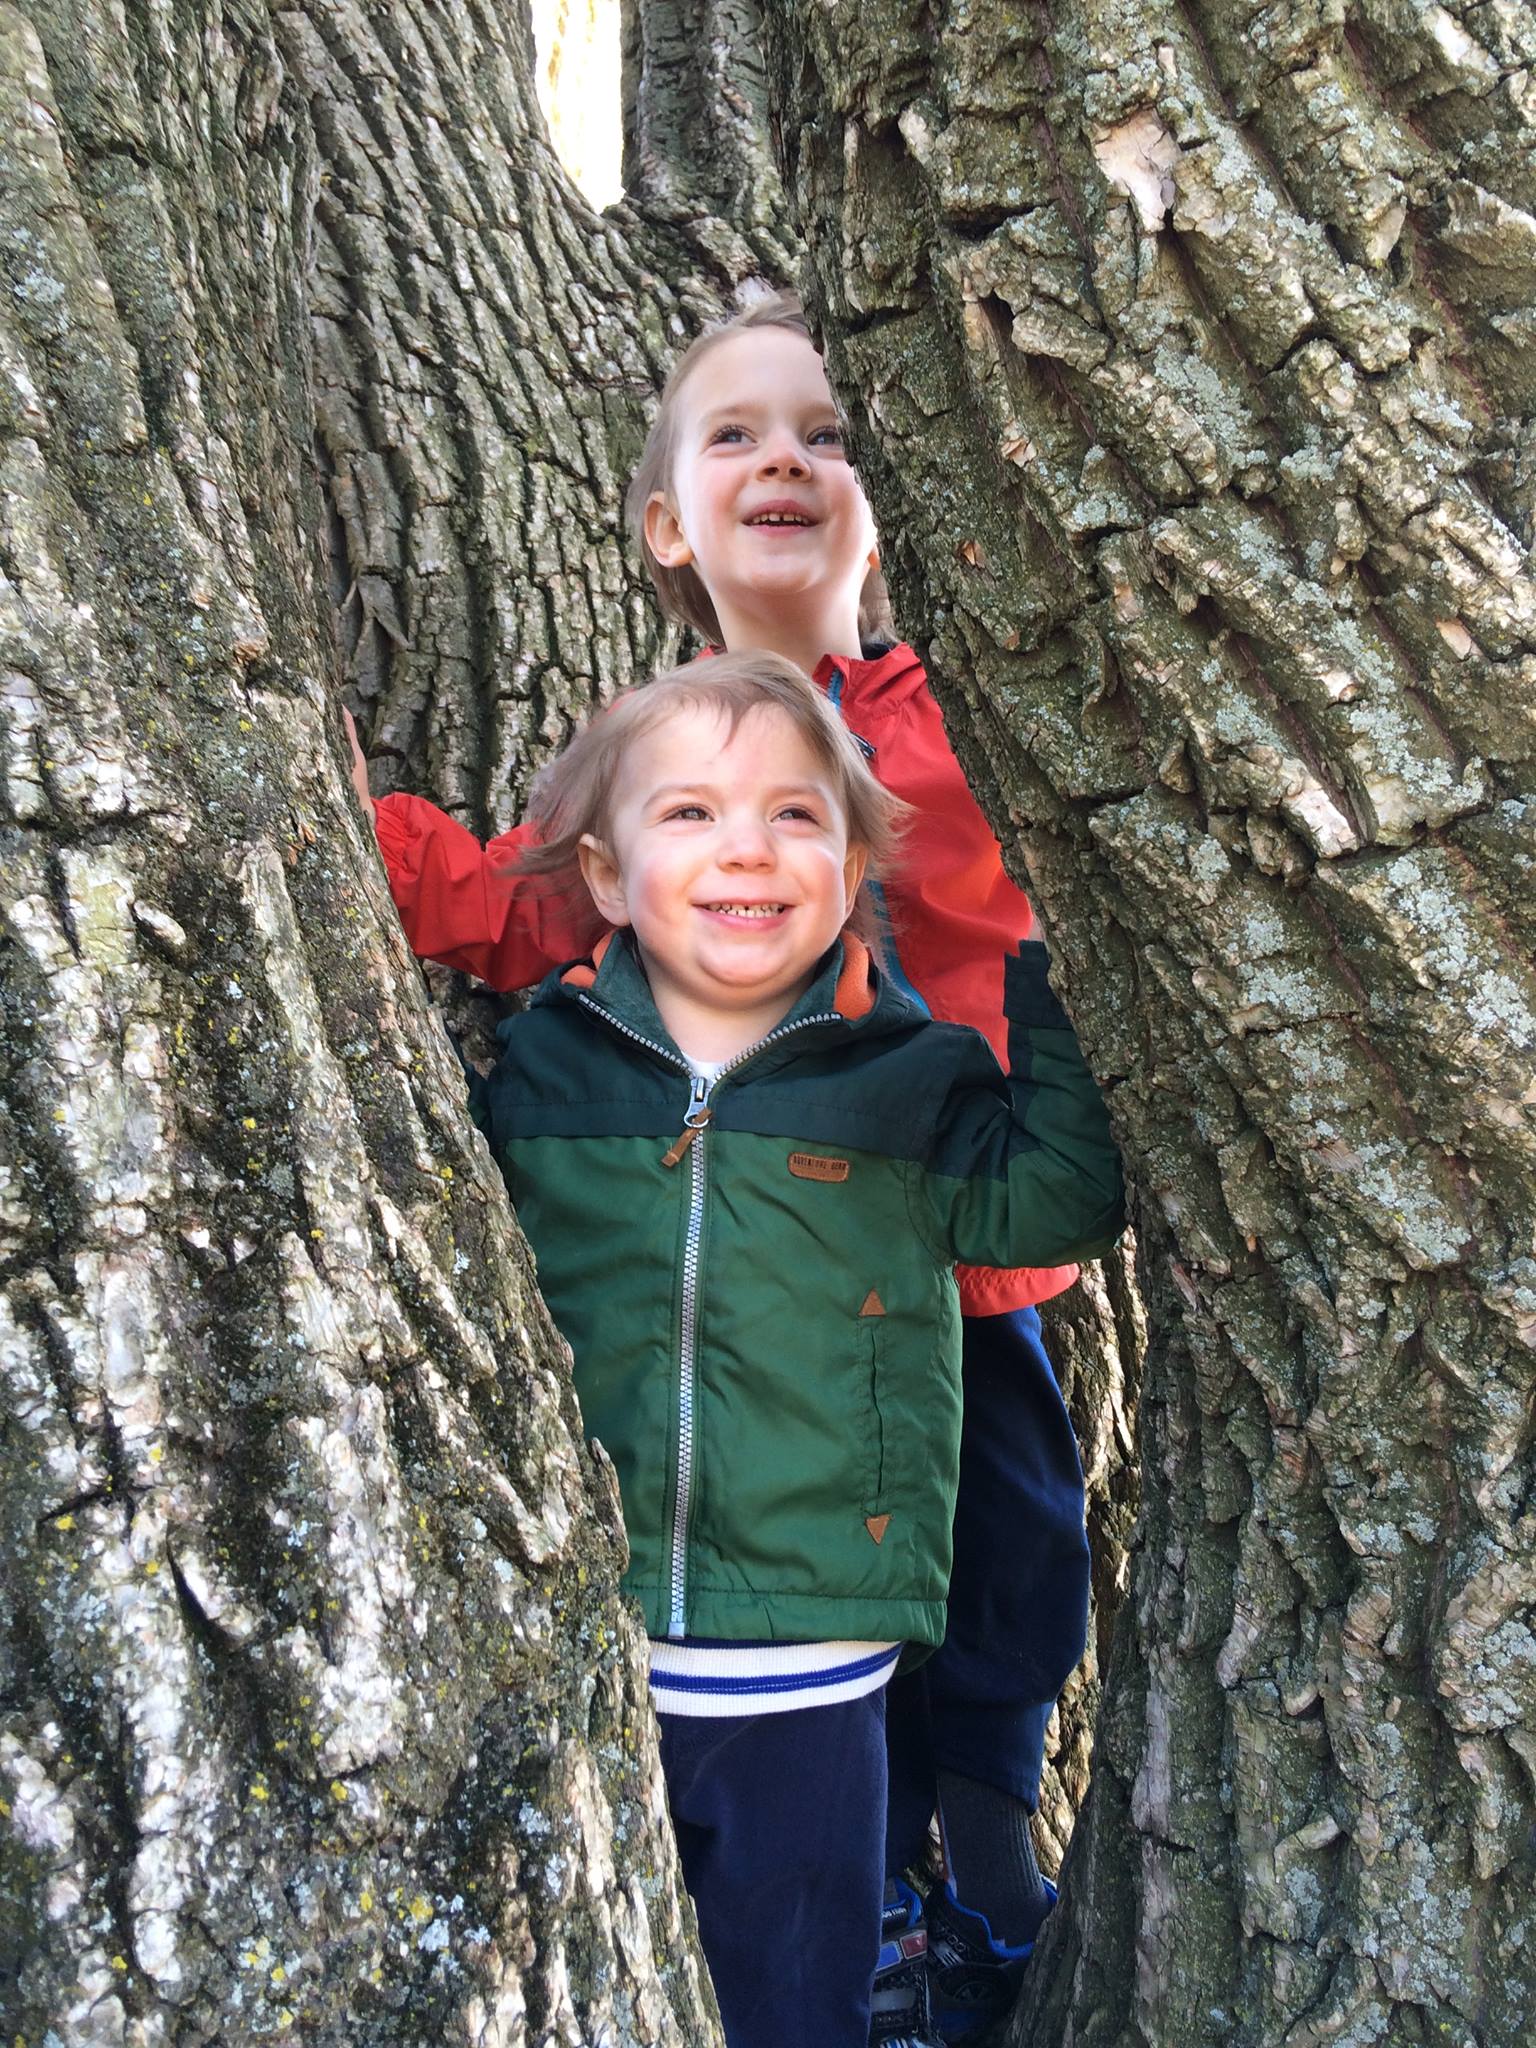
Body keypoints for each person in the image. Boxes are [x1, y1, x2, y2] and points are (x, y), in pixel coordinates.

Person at [351, 293, 1100, 2044]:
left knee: (1013, 1542)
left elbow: (1045, 896)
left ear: (887, 489)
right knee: (803, 1596)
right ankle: (871, 1885)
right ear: (668, 523)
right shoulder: (667, 752)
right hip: (756, 1276)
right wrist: (340, 823)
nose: (788, 458)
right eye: (739, 434)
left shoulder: (962, 713)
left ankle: (971, 1839)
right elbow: (534, 909)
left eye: (829, 435)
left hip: (950, 1233)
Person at [454, 650, 1122, 2048]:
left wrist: (1066, 977)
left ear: (857, 862)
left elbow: (1055, 1201)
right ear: (602, 871)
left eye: (797, 816)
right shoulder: (549, 1066)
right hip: (580, 1627)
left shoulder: (904, 1076)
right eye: (690, 815)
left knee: (789, 1998)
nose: (747, 846)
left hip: (810, 1662)